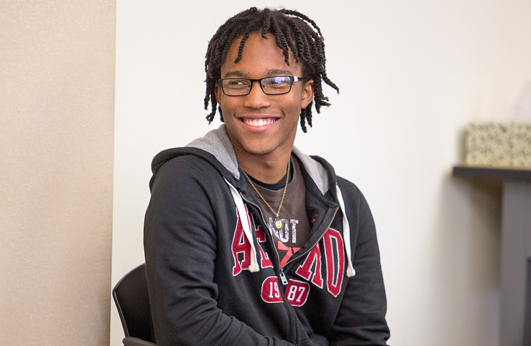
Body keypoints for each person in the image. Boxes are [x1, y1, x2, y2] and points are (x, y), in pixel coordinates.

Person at [143, 7, 390, 346]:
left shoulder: (344, 205)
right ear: (218, 92)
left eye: (277, 82)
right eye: (238, 82)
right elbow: (188, 327)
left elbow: (364, 334)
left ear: (305, 92)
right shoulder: (187, 184)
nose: (255, 99)